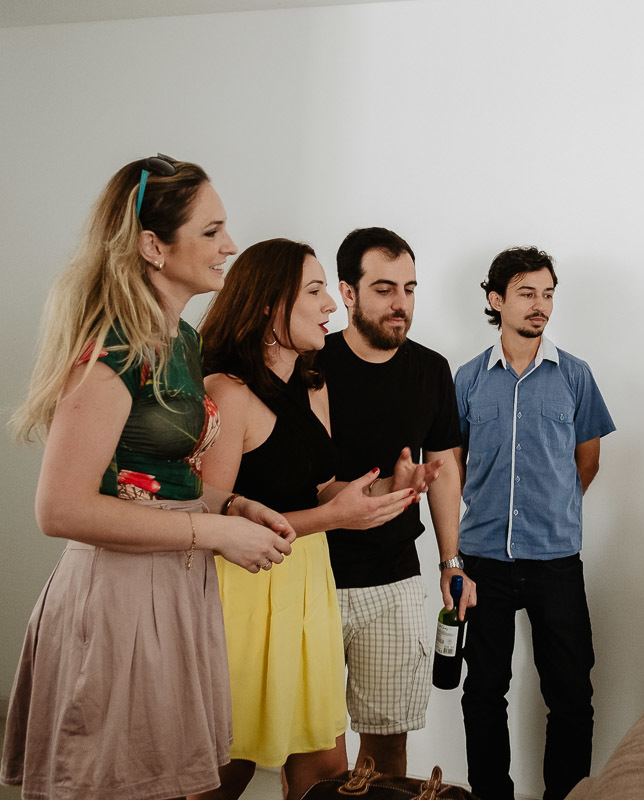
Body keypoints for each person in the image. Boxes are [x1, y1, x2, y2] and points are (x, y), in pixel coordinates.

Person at [2, 156, 295, 800]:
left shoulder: (183, 341)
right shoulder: (114, 349)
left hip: (173, 587)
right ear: (152, 246)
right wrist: (212, 534)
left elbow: (168, 481)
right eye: (212, 231)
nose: (230, 246)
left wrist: (234, 507)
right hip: (119, 595)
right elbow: (60, 509)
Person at [193, 238, 425, 800]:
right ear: (269, 304)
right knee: (227, 768)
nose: (331, 305)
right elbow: (209, 515)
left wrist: (388, 489)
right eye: (316, 291)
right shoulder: (227, 393)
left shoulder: (312, 386)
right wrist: (333, 516)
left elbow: (322, 489)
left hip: (309, 584)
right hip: (243, 595)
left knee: (324, 763)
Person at [455, 246, 616, 800]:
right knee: (483, 692)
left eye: (547, 294)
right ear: (496, 300)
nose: (540, 305)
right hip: (483, 561)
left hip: (555, 560)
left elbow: (587, 461)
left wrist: (554, 508)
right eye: (527, 293)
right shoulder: (468, 379)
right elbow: (455, 463)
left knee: (571, 695)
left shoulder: (575, 375)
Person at [317, 227, 475, 777]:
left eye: (409, 288)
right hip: (311, 575)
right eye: (384, 289)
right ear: (347, 292)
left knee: (386, 749)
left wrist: (452, 561)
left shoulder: (430, 369)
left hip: (394, 581)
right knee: (313, 751)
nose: (400, 303)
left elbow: (444, 470)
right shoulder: (312, 363)